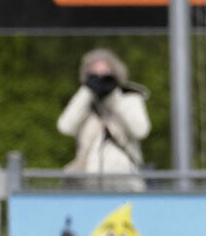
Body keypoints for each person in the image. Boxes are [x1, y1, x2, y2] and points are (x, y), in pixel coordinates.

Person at [56, 48, 151, 191]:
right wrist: (87, 91)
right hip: (89, 182)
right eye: (95, 75)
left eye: (105, 75)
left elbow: (141, 130)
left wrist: (114, 97)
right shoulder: (85, 103)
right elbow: (65, 127)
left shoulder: (130, 98)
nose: (100, 79)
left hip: (125, 182)